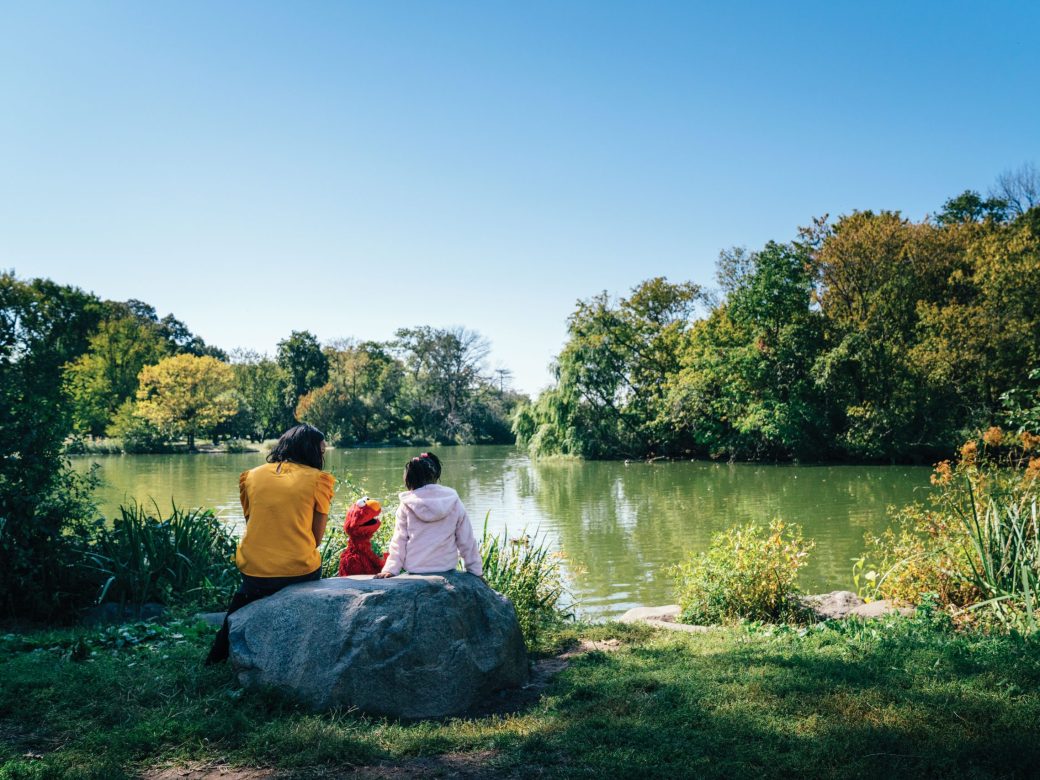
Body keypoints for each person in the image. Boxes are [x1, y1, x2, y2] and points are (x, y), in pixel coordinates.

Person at [205, 423, 335, 665]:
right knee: (308, 562)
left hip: (254, 568)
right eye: (322, 452)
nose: (322, 456)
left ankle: (220, 650)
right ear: (311, 452)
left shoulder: (250, 476)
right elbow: (315, 540)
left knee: (250, 590)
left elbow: (252, 524)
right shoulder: (319, 481)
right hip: (297, 570)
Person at [374, 452, 483, 580]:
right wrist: (476, 571)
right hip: (446, 568)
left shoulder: (407, 505)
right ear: (436, 475)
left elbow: (399, 541)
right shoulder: (453, 501)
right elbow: (467, 540)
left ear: (409, 479)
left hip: (416, 569)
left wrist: (391, 569)